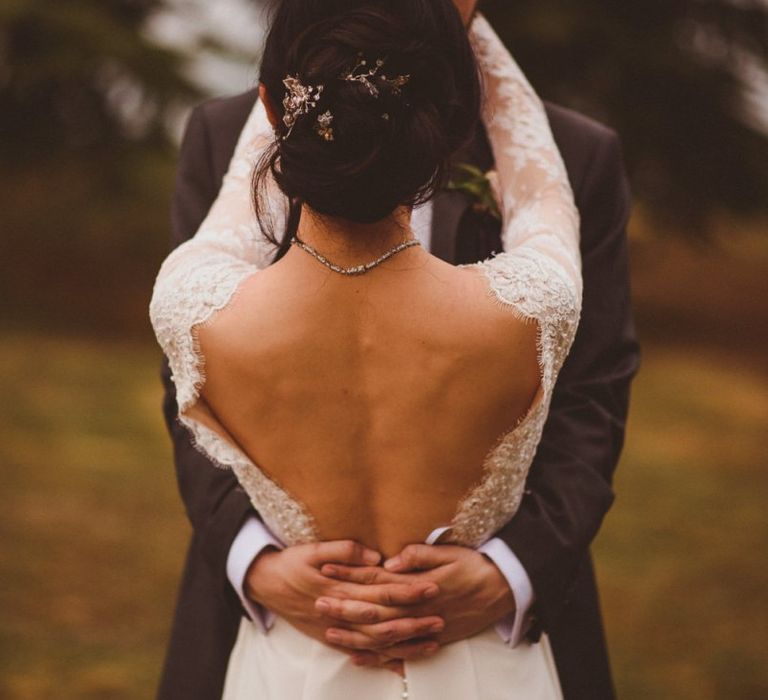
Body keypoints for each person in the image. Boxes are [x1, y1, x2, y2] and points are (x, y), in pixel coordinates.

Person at [154, 1, 639, 699]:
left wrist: (512, 569)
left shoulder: (185, 295)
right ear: (447, 123)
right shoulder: (540, 293)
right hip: (444, 666)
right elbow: (182, 393)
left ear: (273, 108)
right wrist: (254, 562)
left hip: (367, 652)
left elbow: (595, 392)